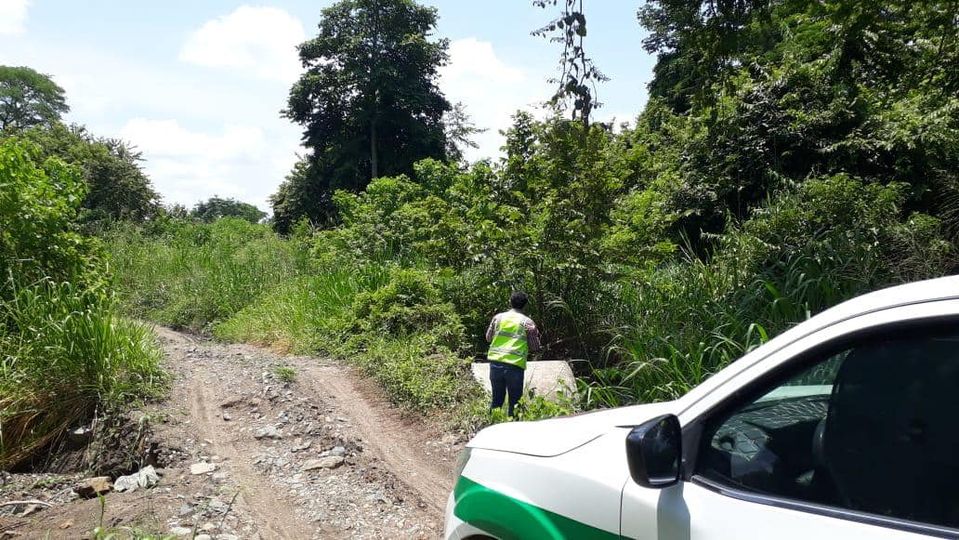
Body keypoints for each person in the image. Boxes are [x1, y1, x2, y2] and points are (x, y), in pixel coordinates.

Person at [486, 291, 541, 416]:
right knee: (515, 404)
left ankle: (492, 424)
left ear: (510, 302)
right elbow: (535, 347)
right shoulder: (528, 323)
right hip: (515, 366)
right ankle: (513, 426)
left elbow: (488, 338)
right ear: (525, 305)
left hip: (496, 364)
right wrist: (533, 334)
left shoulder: (498, 318)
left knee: (496, 401)